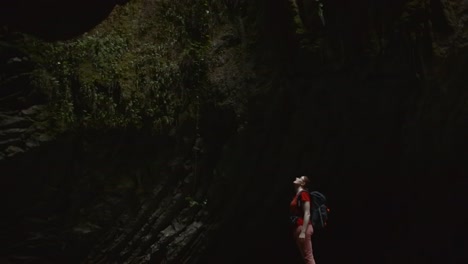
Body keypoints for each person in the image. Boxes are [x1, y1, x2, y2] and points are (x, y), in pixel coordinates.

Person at [290, 175, 316, 264]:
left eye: (299, 178)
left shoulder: (304, 194)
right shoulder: (297, 195)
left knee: (309, 258)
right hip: (298, 227)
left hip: (303, 227)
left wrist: (303, 232)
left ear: (303, 183)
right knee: (306, 259)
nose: (296, 178)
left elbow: (307, 213)